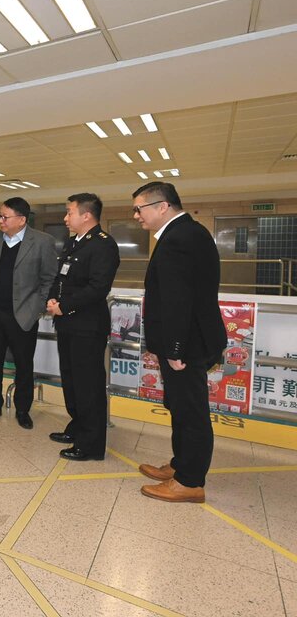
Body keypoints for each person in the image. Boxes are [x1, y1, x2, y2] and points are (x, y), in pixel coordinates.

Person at [132, 181, 226, 503]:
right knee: (180, 408)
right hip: (189, 341)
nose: (136, 216)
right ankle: (180, 465)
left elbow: (178, 300)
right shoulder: (185, 233)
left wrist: (174, 349)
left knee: (190, 412)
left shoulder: (179, 239)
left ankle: (189, 481)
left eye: (139, 209)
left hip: (186, 345)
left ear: (162, 207)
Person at [45, 193, 120, 461]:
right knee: (72, 381)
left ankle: (91, 445)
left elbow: (98, 288)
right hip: (67, 323)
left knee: (89, 385)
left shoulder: (103, 245)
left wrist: (65, 306)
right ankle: (77, 427)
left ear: (86, 215)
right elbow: (60, 277)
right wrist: (52, 298)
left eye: (69, 213)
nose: (66, 218)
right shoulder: (73, 243)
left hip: (87, 326)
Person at [0, 197, 58, 429]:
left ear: (21, 220)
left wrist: (36, 308)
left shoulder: (42, 241)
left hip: (23, 316)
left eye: (4, 216)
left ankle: (23, 409)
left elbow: (49, 279)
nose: (0, 220)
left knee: (24, 365)